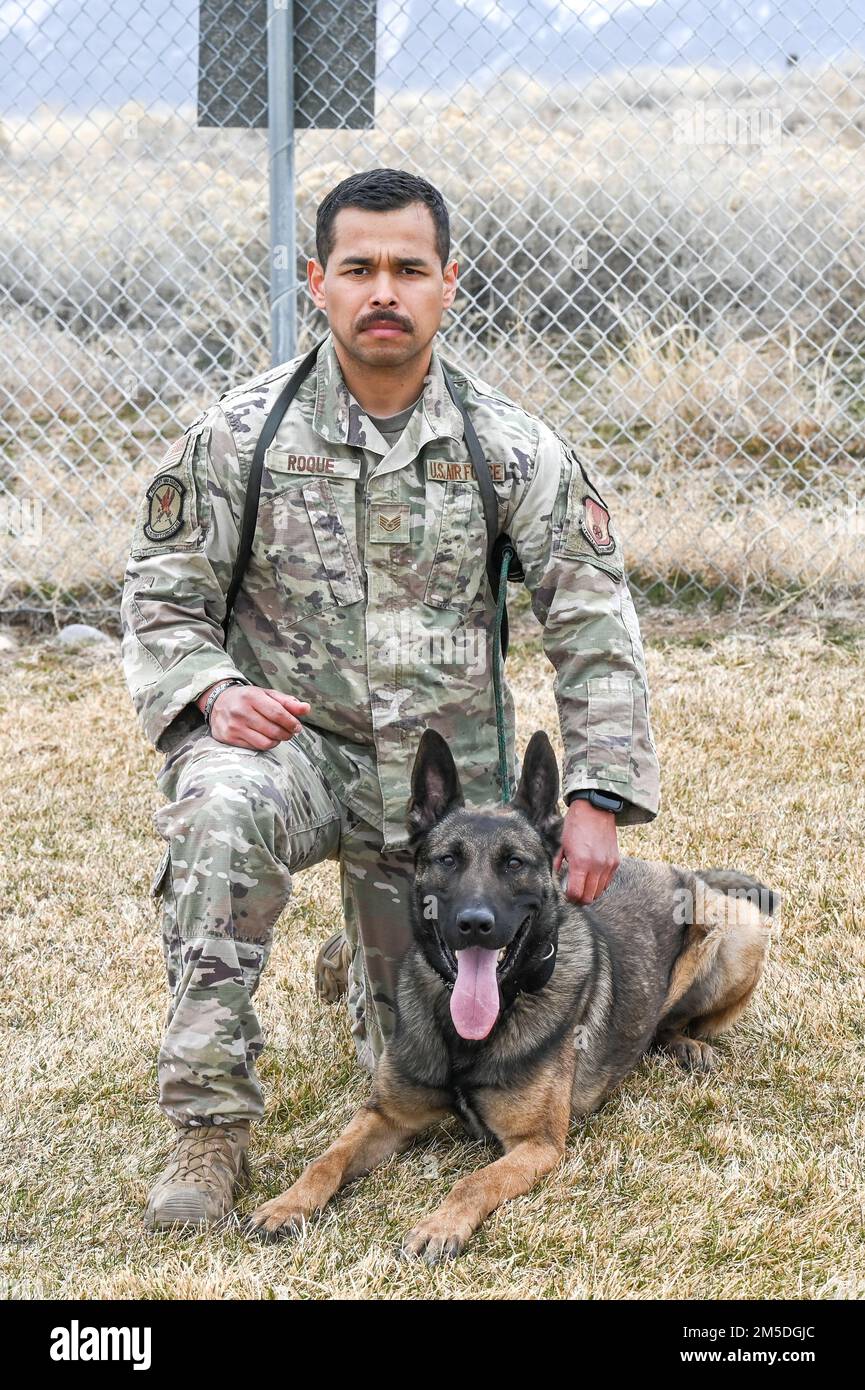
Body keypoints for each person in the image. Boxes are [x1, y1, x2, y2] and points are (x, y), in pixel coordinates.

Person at [120, 167, 660, 1230]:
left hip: (441, 808)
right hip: (299, 764)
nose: (384, 290)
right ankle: (208, 1129)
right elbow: (160, 595)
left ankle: (368, 939)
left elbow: (592, 621)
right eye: (357, 267)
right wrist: (213, 690)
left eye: (408, 268)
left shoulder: (509, 447)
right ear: (315, 281)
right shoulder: (241, 436)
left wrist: (596, 792)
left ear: (448, 284)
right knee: (220, 810)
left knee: (411, 1064)